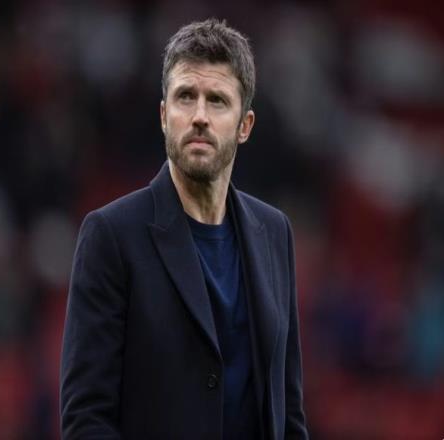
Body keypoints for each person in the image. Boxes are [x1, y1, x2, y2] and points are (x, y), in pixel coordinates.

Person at [60, 18, 308, 440]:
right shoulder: (111, 235)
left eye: (217, 101)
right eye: (185, 97)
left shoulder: (274, 233)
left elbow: (288, 413)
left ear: (245, 125)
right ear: (163, 115)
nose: (199, 117)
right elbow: (86, 419)